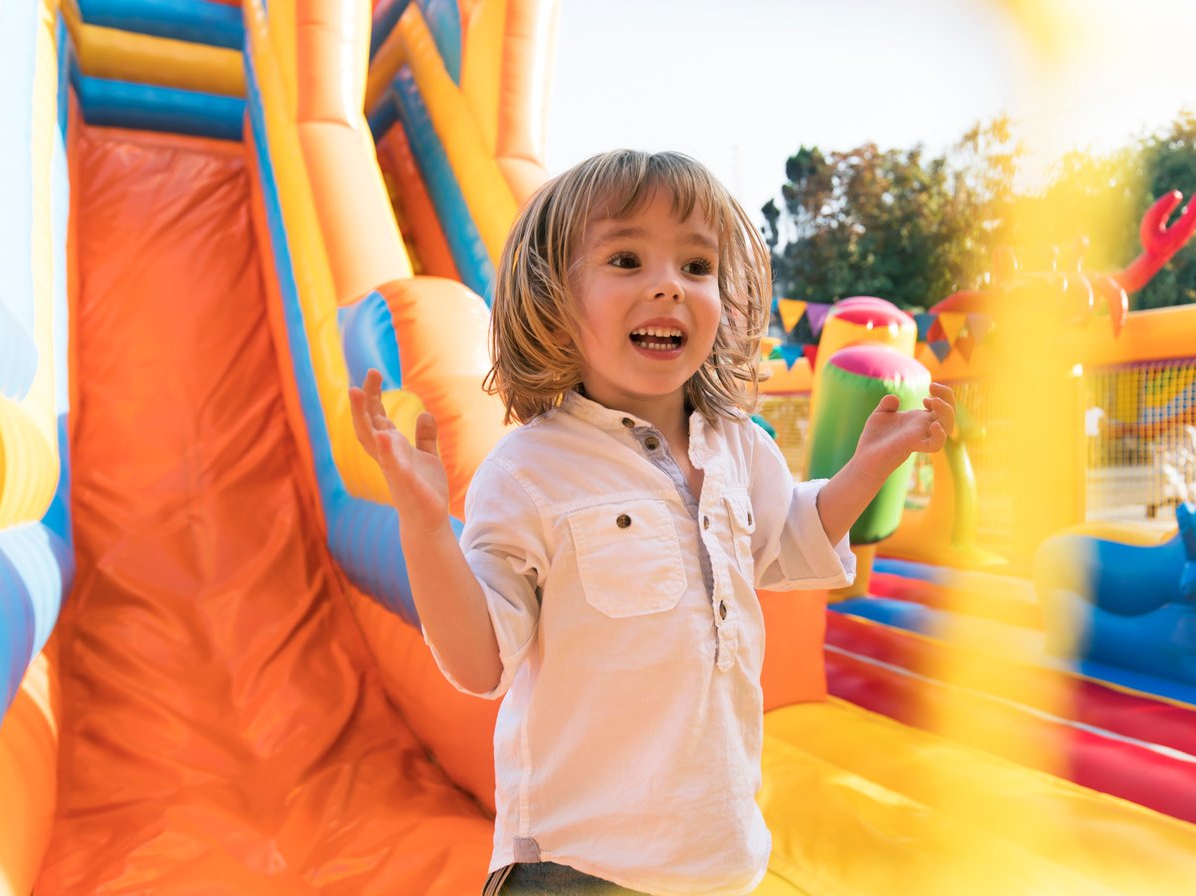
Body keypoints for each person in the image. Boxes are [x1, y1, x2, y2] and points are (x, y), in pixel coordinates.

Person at [349, 149, 955, 896]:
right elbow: (479, 660)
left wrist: (867, 467)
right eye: (628, 259)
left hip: (717, 855)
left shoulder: (737, 445)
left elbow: (791, 538)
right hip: (579, 864)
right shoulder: (531, 469)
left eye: (696, 267)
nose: (669, 283)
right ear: (555, 301)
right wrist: (423, 525)